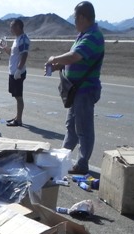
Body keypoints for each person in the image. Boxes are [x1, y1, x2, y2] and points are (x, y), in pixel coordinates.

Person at [45, 2, 104, 175]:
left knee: (83, 129)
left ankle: (82, 164)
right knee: (71, 127)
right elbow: (75, 60)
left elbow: (74, 56)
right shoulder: (83, 35)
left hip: (85, 90)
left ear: (82, 17)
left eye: (75, 18)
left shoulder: (93, 36)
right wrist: (58, 66)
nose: (74, 21)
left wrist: (54, 59)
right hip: (76, 90)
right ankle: (63, 157)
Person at [0, 19, 29, 127]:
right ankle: (17, 117)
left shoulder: (23, 39)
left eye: (12, 27)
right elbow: (12, 54)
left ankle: (18, 120)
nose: (10, 29)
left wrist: (19, 70)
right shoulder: (17, 39)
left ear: (18, 27)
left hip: (17, 73)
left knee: (19, 96)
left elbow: (24, 55)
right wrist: (4, 47)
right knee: (16, 96)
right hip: (13, 72)